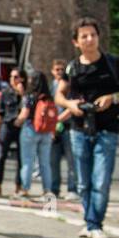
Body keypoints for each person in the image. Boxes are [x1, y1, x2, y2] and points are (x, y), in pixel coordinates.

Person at [54, 17, 119, 238]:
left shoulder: (114, 63)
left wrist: (113, 97)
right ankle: (90, 222)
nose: (90, 39)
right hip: (79, 129)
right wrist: (70, 105)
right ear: (76, 42)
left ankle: (94, 224)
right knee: (83, 182)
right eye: (84, 36)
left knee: (101, 180)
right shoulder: (72, 68)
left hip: (108, 129)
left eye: (93, 34)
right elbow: (59, 95)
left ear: (98, 37)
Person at [14, 70, 56, 199]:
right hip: (46, 131)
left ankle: (25, 188)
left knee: (28, 161)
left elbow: (25, 113)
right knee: (45, 162)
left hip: (30, 129)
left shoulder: (30, 95)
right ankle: (47, 189)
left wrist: (16, 122)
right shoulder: (48, 97)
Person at [0, 68, 25, 196]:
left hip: (21, 127)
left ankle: (19, 185)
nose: (13, 79)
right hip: (7, 125)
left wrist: (21, 93)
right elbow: (0, 113)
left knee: (21, 158)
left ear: (22, 78)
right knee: (1, 156)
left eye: (16, 77)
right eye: (11, 77)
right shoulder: (6, 92)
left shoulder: (25, 93)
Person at [47, 60, 78, 198]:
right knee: (53, 160)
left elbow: (72, 107)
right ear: (52, 71)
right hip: (53, 128)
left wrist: (58, 119)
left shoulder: (69, 87)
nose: (59, 72)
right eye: (57, 69)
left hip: (68, 125)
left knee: (72, 160)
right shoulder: (50, 87)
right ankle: (54, 189)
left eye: (61, 69)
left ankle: (72, 189)